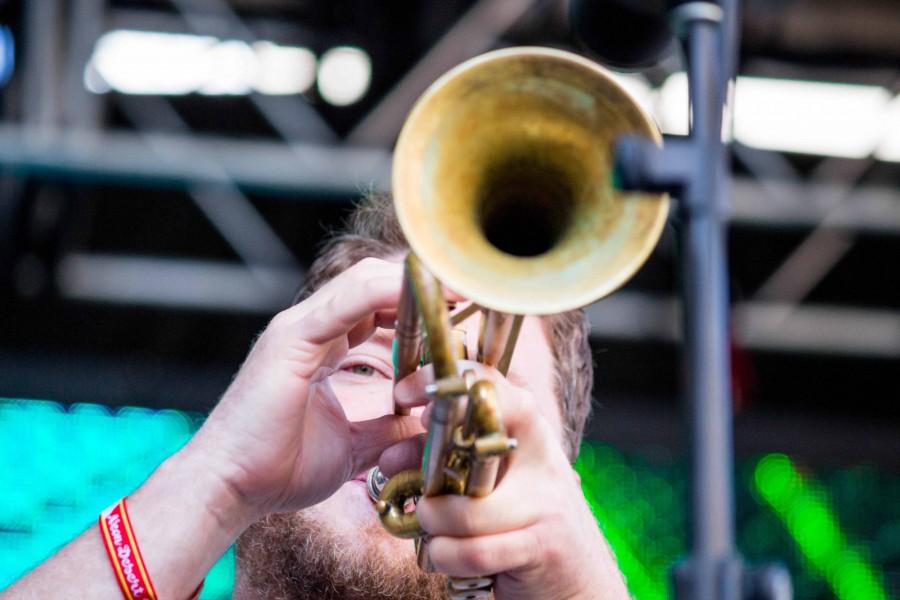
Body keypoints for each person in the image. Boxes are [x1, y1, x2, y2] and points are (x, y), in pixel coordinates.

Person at [1, 195, 629, 600]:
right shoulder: (231, 474)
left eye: (480, 387)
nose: (417, 411)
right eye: (361, 368)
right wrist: (218, 480)